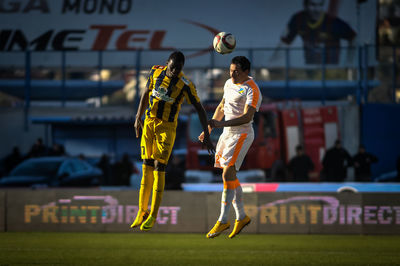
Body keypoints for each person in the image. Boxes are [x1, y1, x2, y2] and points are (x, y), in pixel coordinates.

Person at [131, 51, 215, 231]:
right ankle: (141, 212)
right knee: (146, 165)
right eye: (172, 67)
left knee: (159, 167)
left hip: (166, 128)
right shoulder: (155, 72)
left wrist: (207, 134)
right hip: (149, 122)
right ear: (167, 63)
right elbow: (146, 92)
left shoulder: (186, 85)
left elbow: (200, 109)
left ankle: (153, 215)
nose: (175, 71)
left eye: (179, 68)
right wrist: (138, 115)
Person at [199, 56, 262, 239]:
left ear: (246, 72)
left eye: (236, 71)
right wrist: (209, 128)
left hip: (242, 134)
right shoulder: (228, 83)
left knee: (227, 173)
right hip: (227, 134)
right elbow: (221, 106)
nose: (232, 73)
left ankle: (223, 220)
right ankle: (241, 216)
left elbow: (247, 118)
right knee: (230, 176)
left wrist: (221, 125)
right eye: (230, 70)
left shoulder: (253, 89)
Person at [272, 0, 356, 65]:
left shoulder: (333, 22)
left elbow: (353, 37)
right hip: (310, 70)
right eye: (313, 5)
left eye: (320, 5)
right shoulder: (298, 19)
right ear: (305, 5)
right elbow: (284, 44)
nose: (316, 9)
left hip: (331, 71)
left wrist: (349, 63)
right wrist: (272, 66)